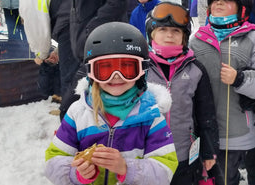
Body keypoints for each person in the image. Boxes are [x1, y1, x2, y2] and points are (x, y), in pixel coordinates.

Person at [44, 22, 178, 185]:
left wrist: (126, 168)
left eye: (127, 68)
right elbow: (53, 162)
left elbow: (165, 170)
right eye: (105, 69)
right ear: (91, 74)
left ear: (142, 71)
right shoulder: (78, 113)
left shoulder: (150, 115)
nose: (116, 76)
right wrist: (78, 174)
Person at [190, 0, 255, 185]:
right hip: (199, 133)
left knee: (224, 180)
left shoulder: (253, 38)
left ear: (241, 8)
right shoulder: (197, 39)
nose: (218, 3)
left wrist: (240, 79)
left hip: (234, 134)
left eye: (226, 0)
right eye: (214, 1)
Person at [145, 2, 219, 184]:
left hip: (184, 154)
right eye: (162, 29)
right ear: (152, 33)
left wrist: (208, 150)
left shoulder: (195, 69)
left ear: (184, 37)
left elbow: (205, 114)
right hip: (148, 153)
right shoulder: (141, 67)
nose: (169, 35)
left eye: (176, 31)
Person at [61, 0, 128, 121]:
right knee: (81, 114)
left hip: (100, 51)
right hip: (87, 52)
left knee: (69, 110)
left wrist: (89, 33)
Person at [9, 0, 80, 106]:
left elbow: (38, 28)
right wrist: (59, 51)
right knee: (83, 68)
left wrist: (41, 54)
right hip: (87, 17)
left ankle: (70, 118)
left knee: (70, 76)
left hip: (73, 20)